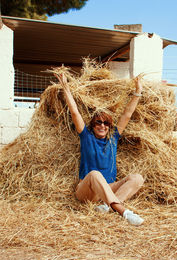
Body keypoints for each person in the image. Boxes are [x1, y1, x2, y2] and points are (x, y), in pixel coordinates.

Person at [55, 72, 144, 226]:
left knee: (137, 178)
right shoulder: (86, 136)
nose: (102, 126)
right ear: (93, 125)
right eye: (98, 122)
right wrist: (65, 87)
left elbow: (127, 115)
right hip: (87, 190)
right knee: (95, 174)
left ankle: (107, 207)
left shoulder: (113, 138)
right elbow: (74, 111)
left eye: (106, 123)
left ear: (109, 127)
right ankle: (122, 211)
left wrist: (137, 92)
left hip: (108, 189)